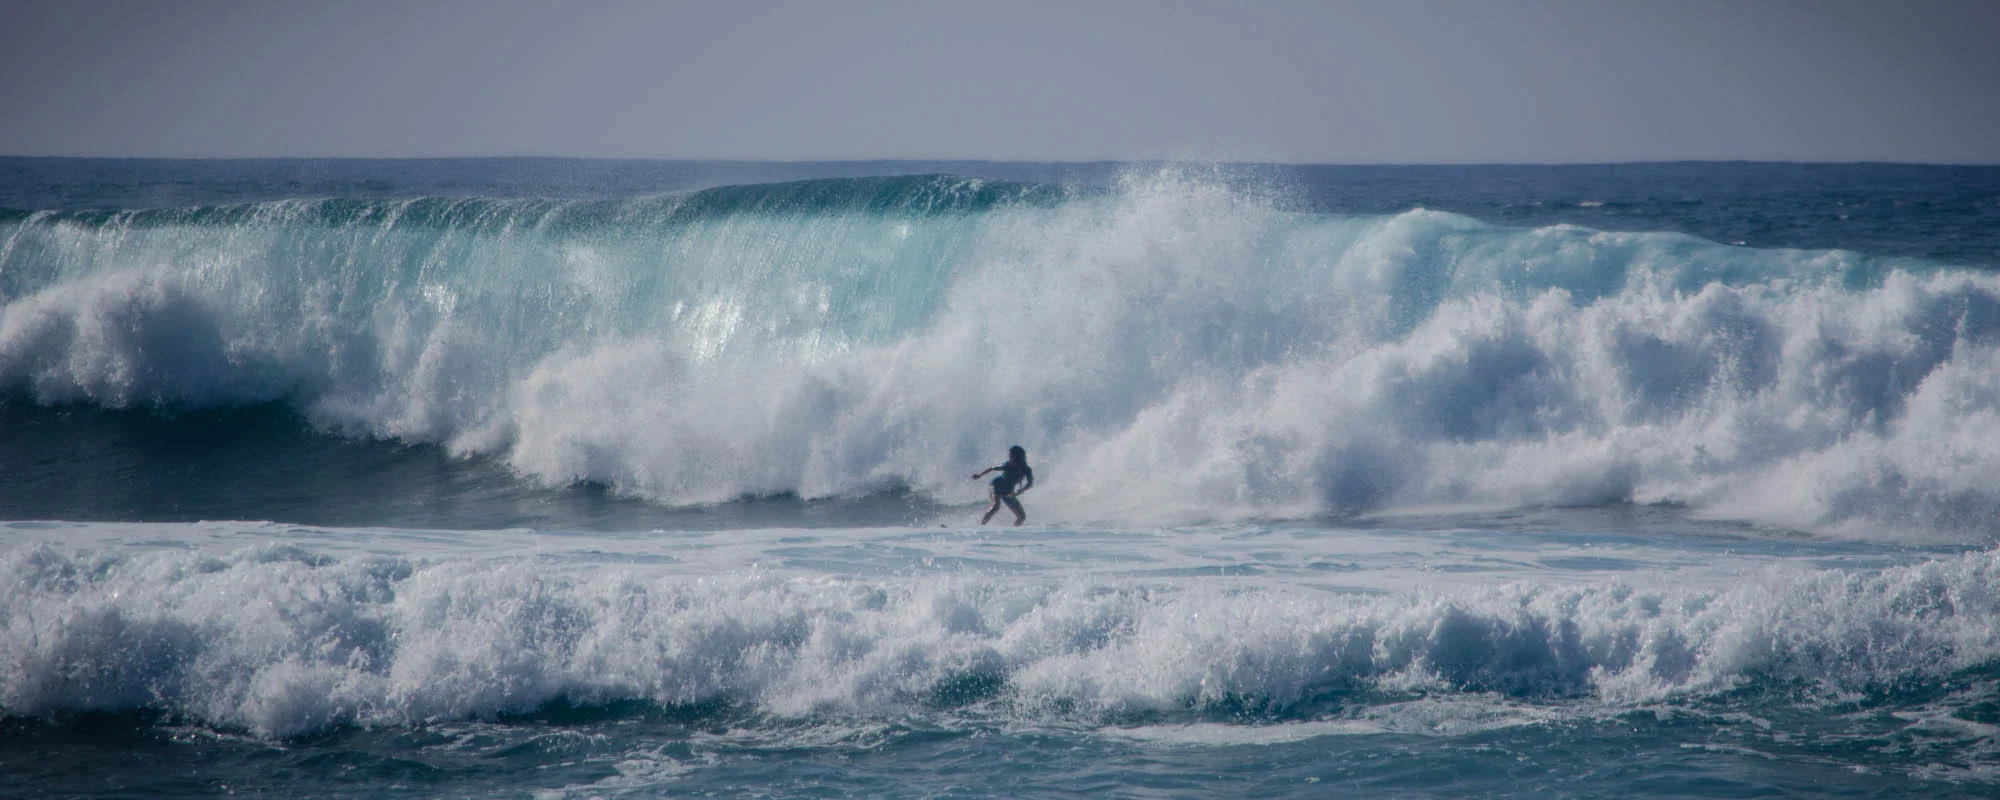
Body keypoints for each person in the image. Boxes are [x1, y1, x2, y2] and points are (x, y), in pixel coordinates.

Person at [972, 445, 1034, 526]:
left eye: (1011, 455)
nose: (1010, 457)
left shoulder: (1026, 469)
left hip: (1008, 492)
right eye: (1010, 455)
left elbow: (1030, 484)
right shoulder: (1008, 465)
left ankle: (1014, 532)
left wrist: (1021, 491)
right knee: (996, 506)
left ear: (1018, 456)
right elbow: (992, 468)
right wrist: (980, 475)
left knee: (1021, 517)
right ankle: (981, 526)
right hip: (996, 486)